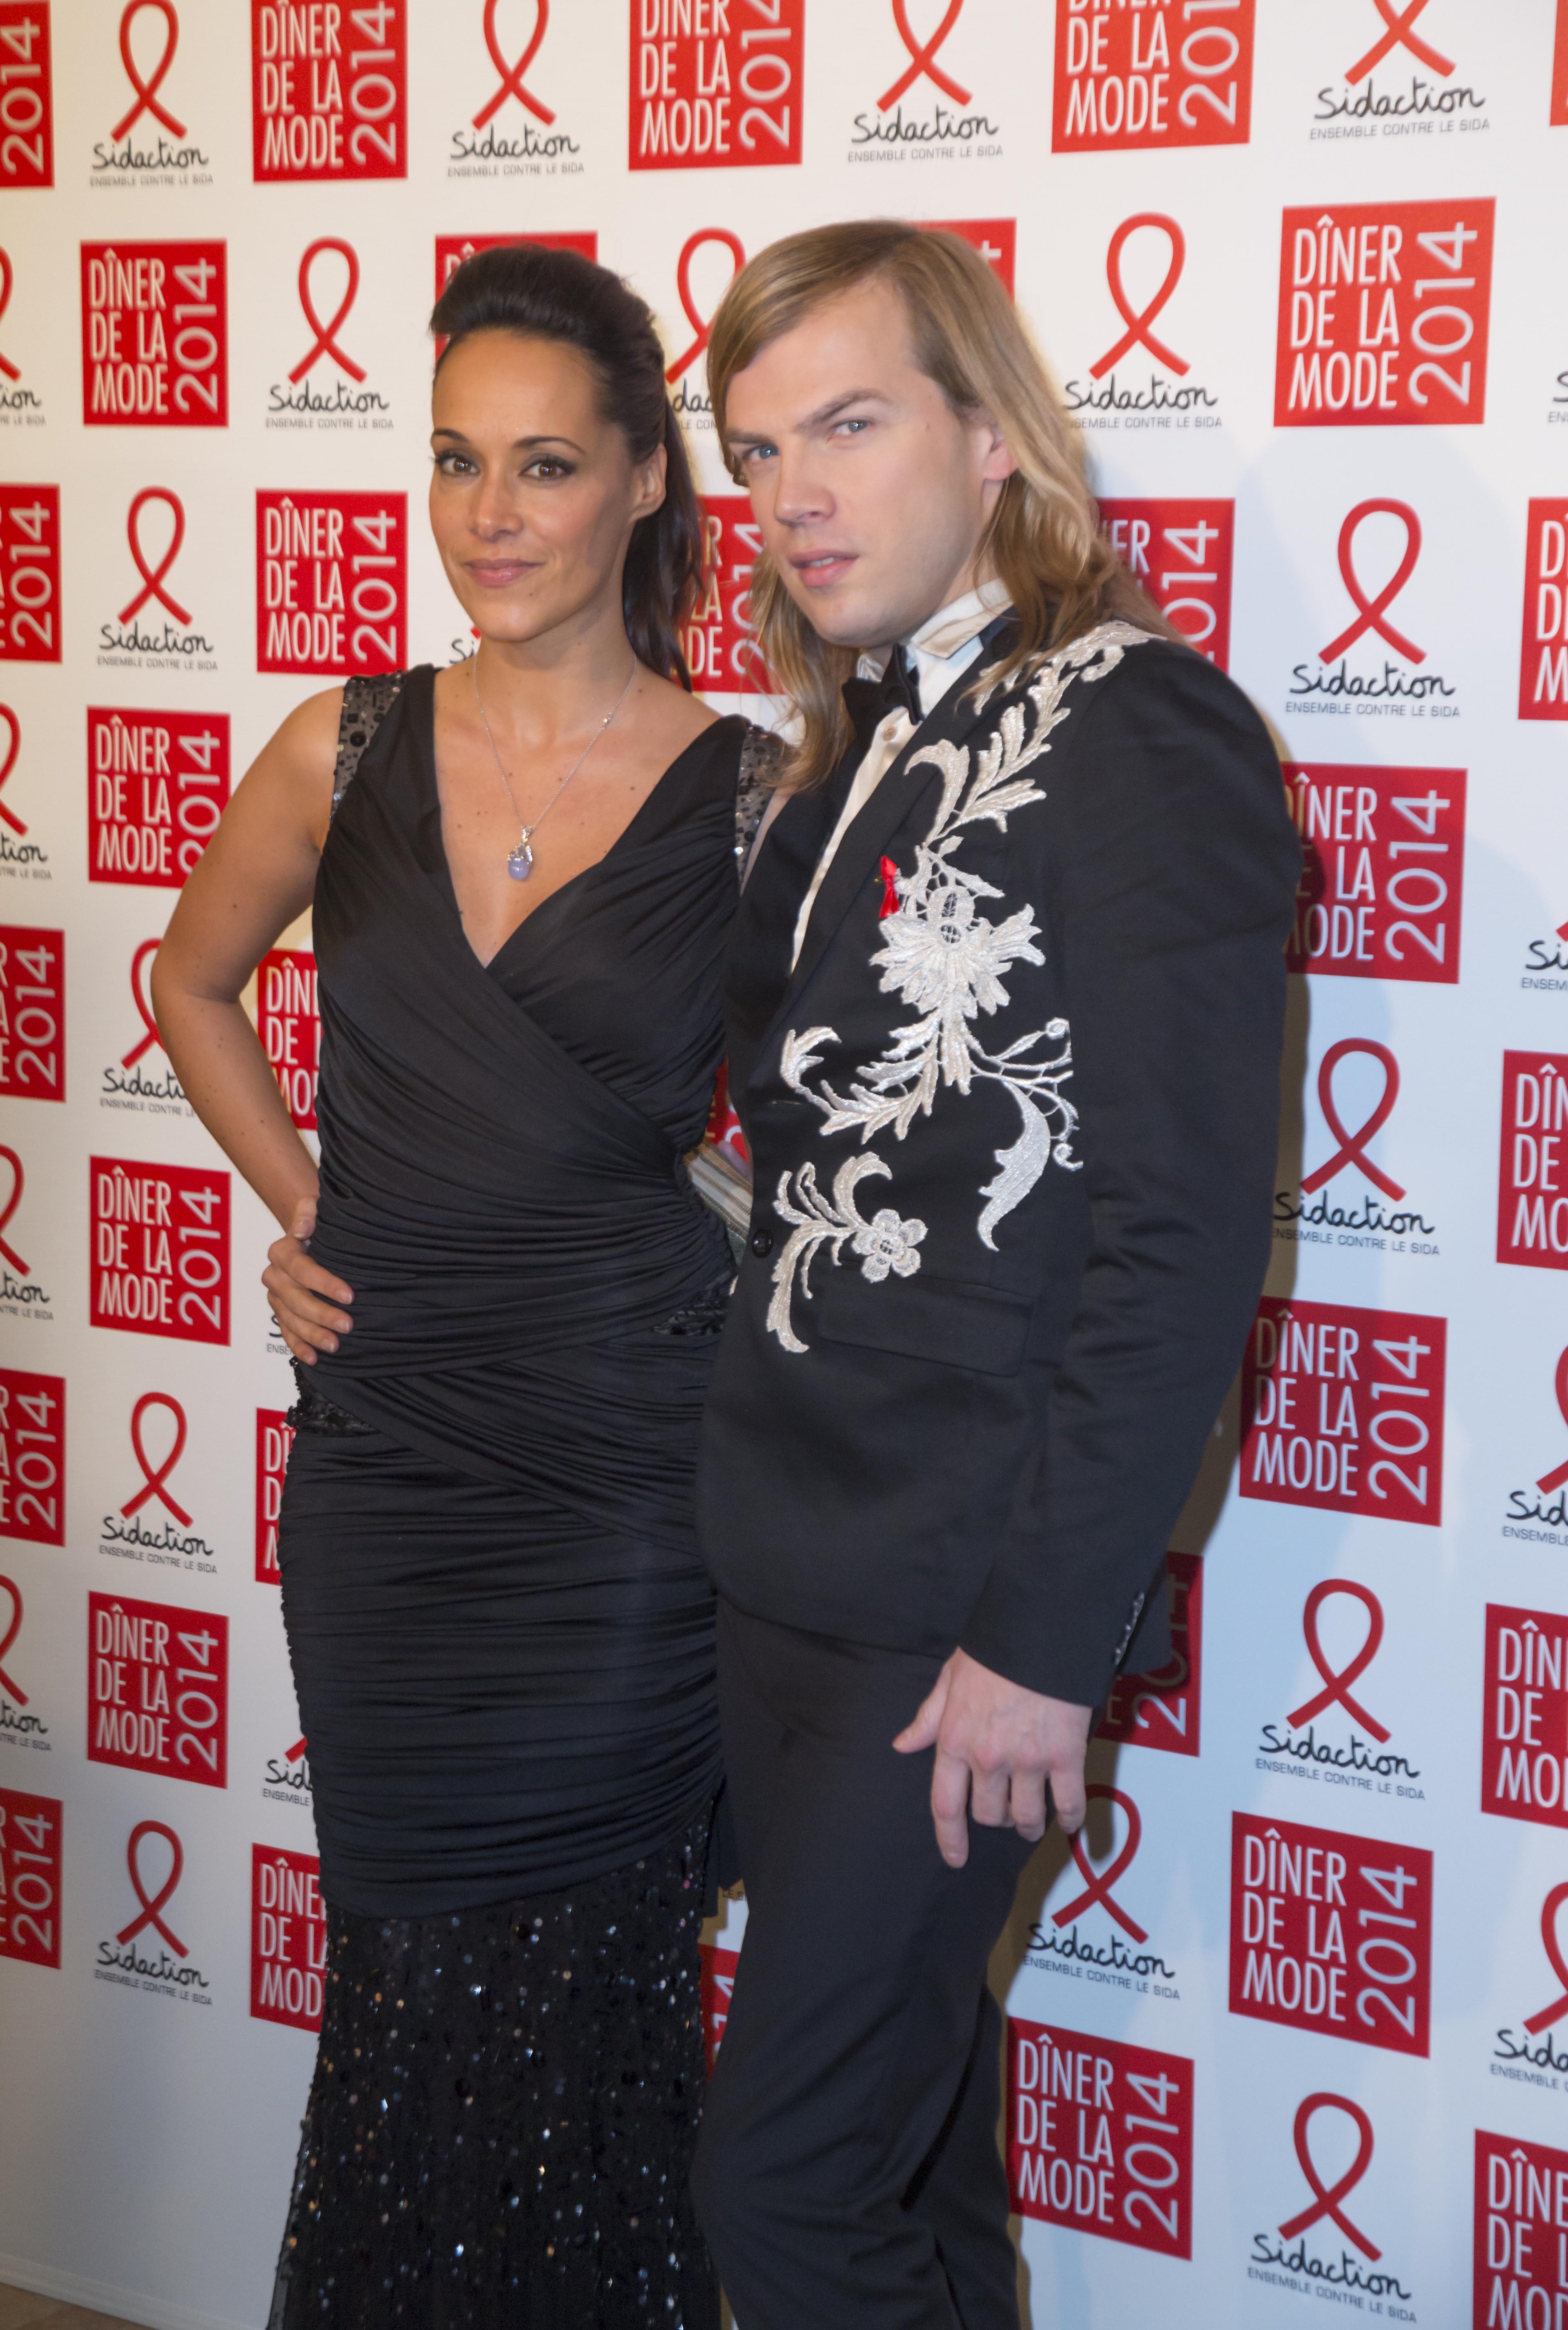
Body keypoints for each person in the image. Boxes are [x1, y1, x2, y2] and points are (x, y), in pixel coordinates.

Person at [686, 221, 1301, 2328]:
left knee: (784, 2188)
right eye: (759, 453)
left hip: (956, 1605)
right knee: (911, 2167)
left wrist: (1046, 1645)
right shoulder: (845, 739)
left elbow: (1181, 1236)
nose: (796, 496)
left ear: (990, 435)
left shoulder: (1143, 727)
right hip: (781, 1556)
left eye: (849, 426)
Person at [153, 244, 769, 2329]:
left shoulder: (754, 797)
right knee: (408, 1989)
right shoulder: (343, 748)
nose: (490, 515)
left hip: (624, 1477)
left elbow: (844, 1137)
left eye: (545, 464)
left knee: (594, 1995)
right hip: (393, 1470)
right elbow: (190, 981)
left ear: (644, 482)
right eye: (453, 461)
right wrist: (307, 1204)